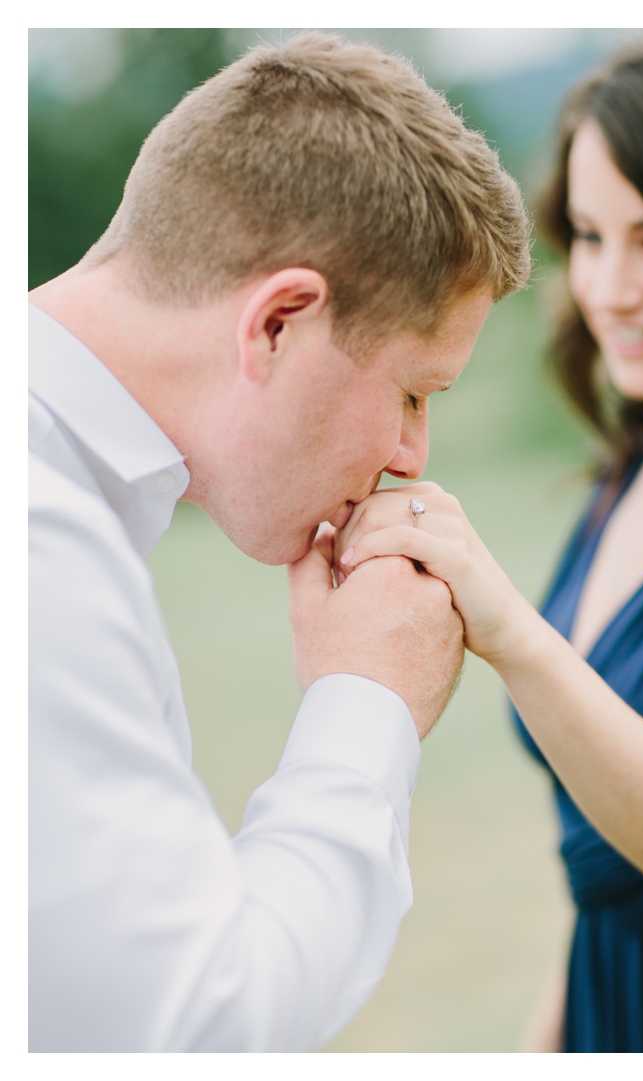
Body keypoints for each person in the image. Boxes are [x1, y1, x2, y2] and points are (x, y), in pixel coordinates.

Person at [28, 33, 530, 1050]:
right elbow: (200, 1029)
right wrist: (368, 701)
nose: (408, 452)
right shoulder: (35, 543)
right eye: (411, 391)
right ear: (278, 325)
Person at [333, 30, 643, 1052]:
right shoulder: (619, 480)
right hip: (603, 1004)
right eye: (589, 236)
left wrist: (505, 627)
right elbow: (599, 877)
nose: (612, 285)